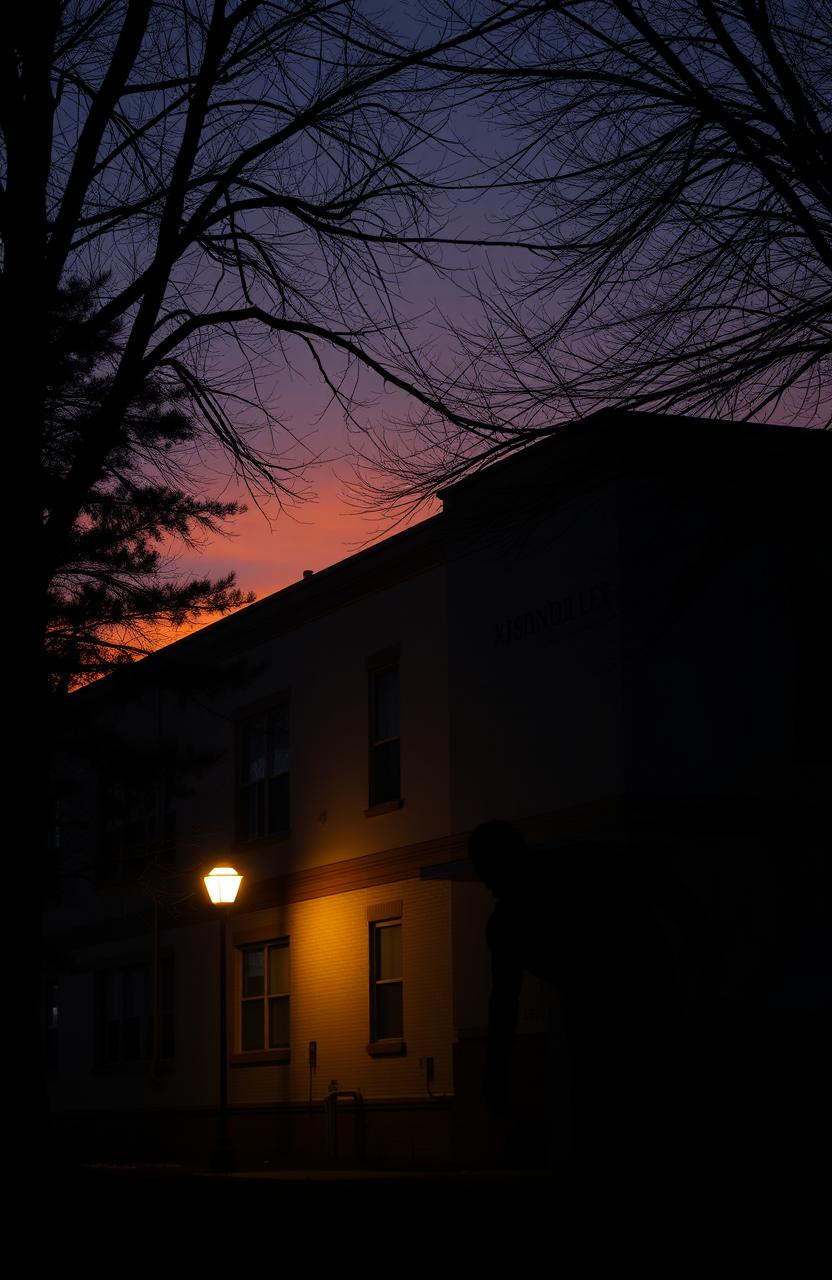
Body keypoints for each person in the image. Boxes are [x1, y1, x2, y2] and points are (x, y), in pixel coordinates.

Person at [468, 819, 721, 1178]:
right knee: (609, 1102)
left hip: (635, 987)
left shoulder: (567, 876)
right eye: (483, 870)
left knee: (632, 1097)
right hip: (613, 994)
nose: (486, 880)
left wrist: (496, 1071)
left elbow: (504, 1001)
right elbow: (504, 1001)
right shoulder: (514, 919)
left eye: (487, 868)